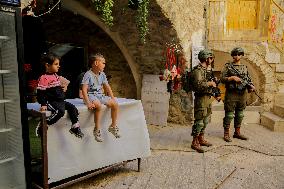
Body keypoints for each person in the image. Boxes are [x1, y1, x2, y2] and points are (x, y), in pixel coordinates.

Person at [37, 53, 84, 138]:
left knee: (73, 108)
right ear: (47, 65)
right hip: (51, 101)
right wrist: (43, 104)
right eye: (56, 64)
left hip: (60, 101)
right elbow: (40, 93)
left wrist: (64, 87)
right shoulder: (44, 78)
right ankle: (44, 123)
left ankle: (75, 126)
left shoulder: (56, 76)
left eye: (58, 64)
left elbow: (64, 83)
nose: (59, 66)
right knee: (60, 112)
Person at [81, 53, 120, 142]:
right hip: (90, 95)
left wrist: (112, 97)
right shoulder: (88, 74)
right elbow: (84, 90)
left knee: (115, 104)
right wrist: (88, 102)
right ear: (96, 63)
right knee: (98, 105)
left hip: (100, 95)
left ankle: (113, 126)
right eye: (103, 63)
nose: (104, 65)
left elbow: (107, 86)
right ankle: (97, 129)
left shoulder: (102, 74)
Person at [220, 47, 255, 142]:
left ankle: (237, 132)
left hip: (242, 94)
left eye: (239, 54)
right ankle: (226, 133)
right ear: (232, 55)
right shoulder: (228, 66)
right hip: (231, 94)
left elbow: (248, 80)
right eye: (235, 54)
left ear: (242, 55)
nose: (237, 56)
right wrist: (232, 78)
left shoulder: (244, 67)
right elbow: (222, 79)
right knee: (229, 115)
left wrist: (251, 86)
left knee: (240, 114)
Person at [191, 49, 220, 153]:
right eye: (211, 58)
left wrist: (216, 94)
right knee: (199, 121)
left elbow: (211, 84)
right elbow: (198, 85)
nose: (212, 60)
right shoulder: (197, 70)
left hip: (208, 98)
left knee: (206, 120)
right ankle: (194, 142)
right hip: (201, 98)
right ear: (206, 58)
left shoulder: (207, 70)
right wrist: (210, 84)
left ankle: (201, 138)